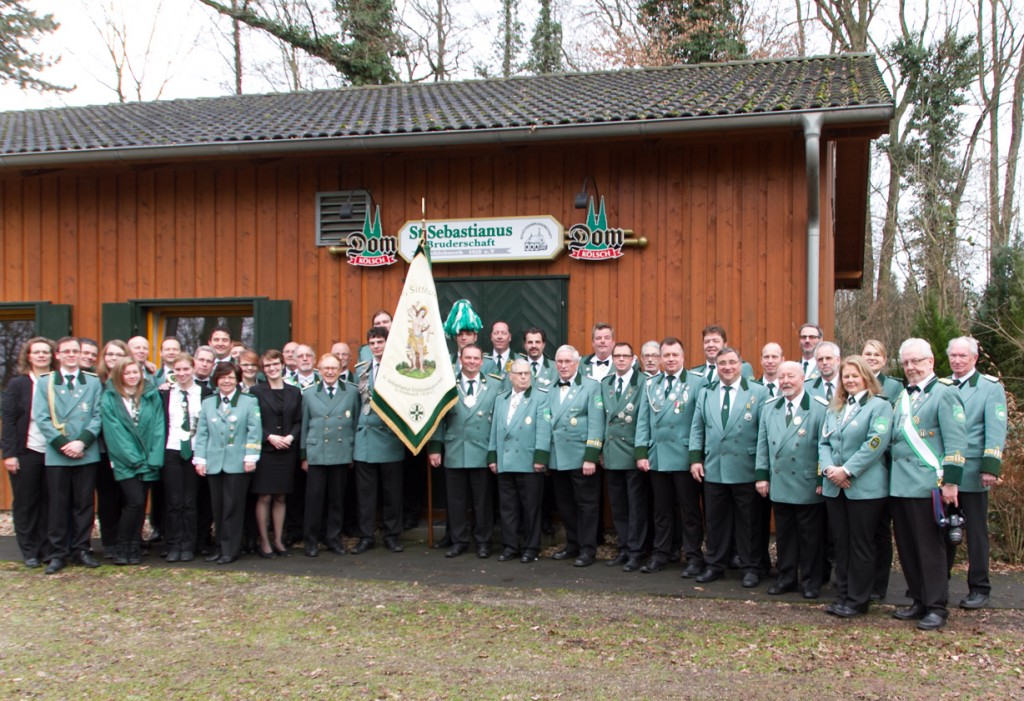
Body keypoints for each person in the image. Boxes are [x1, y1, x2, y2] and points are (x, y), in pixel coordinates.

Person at [889, 338, 967, 631]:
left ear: (931, 362)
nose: (911, 367)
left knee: (930, 549)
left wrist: (951, 483)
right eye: (907, 362)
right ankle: (919, 600)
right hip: (900, 485)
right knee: (908, 548)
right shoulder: (902, 396)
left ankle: (936, 606)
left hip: (929, 485)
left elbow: (957, 442)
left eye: (916, 361)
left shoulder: (944, 394)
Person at [818, 356, 893, 617]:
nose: (850, 380)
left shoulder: (879, 407)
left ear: (866, 377)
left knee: (861, 545)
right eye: (846, 376)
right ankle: (843, 595)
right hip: (835, 487)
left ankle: (858, 600)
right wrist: (829, 470)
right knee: (842, 544)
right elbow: (823, 443)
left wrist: (846, 470)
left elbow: (875, 443)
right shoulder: (836, 407)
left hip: (865, 488)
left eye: (855, 375)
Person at [688, 346, 769, 586]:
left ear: (741, 365)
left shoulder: (758, 392)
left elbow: (763, 434)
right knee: (715, 522)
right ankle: (715, 565)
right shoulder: (706, 392)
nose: (727, 367)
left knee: (749, 522)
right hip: (715, 468)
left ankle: (751, 567)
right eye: (722, 363)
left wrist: (762, 470)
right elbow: (697, 427)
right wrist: (695, 459)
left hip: (745, 468)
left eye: (732, 362)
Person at [755, 361, 828, 599]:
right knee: (785, 536)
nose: (785, 381)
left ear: (803, 378)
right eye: (782, 376)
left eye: (791, 376)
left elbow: (824, 447)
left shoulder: (818, 408)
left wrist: (821, 478)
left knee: (810, 537)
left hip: (807, 483)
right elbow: (762, 445)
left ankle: (810, 581)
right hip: (780, 482)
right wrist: (761, 476)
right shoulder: (770, 407)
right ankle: (786, 577)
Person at [635, 337, 706, 576]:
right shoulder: (651, 384)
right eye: (666, 355)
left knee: (689, 511)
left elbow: (700, 423)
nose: (671, 359)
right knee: (661, 510)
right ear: (660, 359)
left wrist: (696, 456)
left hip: (684, 456)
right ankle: (661, 554)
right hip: (658, 457)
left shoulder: (697, 382)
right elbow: (643, 421)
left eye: (675, 355)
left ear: (683, 357)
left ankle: (694, 557)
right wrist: (642, 452)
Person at [946, 336, 1008, 610]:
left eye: (963, 356)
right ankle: (938, 583)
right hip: (945, 471)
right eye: (953, 356)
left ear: (974, 358)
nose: (957, 360)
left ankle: (980, 586)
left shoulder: (989, 388)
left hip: (972, 470)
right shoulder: (942, 386)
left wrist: (990, 467)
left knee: (976, 532)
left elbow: (995, 428)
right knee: (943, 529)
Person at [34, 337, 105, 574]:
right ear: (58, 355)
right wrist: (64, 444)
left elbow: (97, 415)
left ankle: (81, 549)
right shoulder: (46, 382)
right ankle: (58, 553)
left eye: (76, 351)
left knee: (84, 504)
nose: (72, 355)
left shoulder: (93, 383)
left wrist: (81, 443)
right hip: (58, 453)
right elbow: (42, 418)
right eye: (67, 351)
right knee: (58, 504)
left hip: (86, 452)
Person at [538, 345, 606, 567]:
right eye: (560, 361)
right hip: (558, 457)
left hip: (581, 457)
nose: (564, 365)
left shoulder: (590, 387)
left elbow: (596, 424)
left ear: (577, 364)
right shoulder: (549, 389)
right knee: (565, 505)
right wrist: (544, 456)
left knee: (586, 505)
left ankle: (588, 549)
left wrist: (591, 456)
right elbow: (545, 424)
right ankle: (573, 543)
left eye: (568, 361)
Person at [428, 344, 498, 558]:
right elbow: (437, 417)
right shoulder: (448, 384)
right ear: (460, 359)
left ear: (482, 361)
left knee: (482, 501)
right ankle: (459, 541)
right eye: (467, 357)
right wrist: (435, 448)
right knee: (456, 501)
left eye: (476, 358)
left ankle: (483, 542)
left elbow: (499, 421)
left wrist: (494, 453)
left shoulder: (495, 384)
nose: (471, 361)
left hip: (481, 449)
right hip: (455, 449)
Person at [193, 362, 262, 564]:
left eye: (231, 377)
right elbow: (202, 433)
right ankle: (219, 547)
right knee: (218, 508)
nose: (226, 381)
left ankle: (230, 549)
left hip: (237, 463)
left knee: (233, 507)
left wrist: (250, 457)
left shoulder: (248, 402)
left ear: (237, 380)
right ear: (216, 380)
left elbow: (254, 431)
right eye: (223, 377)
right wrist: (200, 459)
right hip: (214, 463)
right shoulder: (208, 403)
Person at [100, 357, 166, 565]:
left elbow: (158, 426)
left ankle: (133, 546)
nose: (131, 377)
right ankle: (122, 546)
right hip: (125, 461)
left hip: (148, 460)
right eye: (127, 373)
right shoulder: (110, 397)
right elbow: (114, 432)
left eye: (135, 373)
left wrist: (153, 457)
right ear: (119, 375)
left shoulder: (150, 394)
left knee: (140, 504)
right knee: (134, 501)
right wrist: (133, 458)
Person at [488, 359, 551, 563]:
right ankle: (510, 546)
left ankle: (530, 547)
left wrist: (541, 457)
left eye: (527, 373)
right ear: (510, 376)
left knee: (530, 507)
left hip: (529, 461)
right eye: (519, 374)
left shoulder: (540, 397)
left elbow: (543, 429)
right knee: (508, 507)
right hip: (505, 461)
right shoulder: (501, 399)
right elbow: (495, 430)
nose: (524, 377)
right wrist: (492, 456)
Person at [1, 337, 56, 568]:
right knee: (26, 502)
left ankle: (45, 547)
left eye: (46, 352)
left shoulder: (57, 381)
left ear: (52, 356)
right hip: (26, 451)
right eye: (37, 352)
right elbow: (10, 421)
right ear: (29, 356)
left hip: (54, 452)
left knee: (49, 501)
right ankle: (29, 550)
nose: (42, 355)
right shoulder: (18, 384)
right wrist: (9, 454)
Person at [352, 326, 407, 554]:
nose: (376, 346)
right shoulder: (361, 370)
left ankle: (391, 535)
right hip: (365, 439)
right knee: (366, 495)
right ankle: (366, 536)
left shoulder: (399, 370)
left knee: (392, 493)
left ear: (388, 343)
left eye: (380, 342)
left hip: (389, 438)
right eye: (372, 343)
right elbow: (357, 404)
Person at [299, 352, 358, 557]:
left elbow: (356, 423)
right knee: (314, 500)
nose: (330, 372)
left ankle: (334, 539)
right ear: (319, 370)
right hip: (316, 452)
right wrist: (303, 455)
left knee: (337, 500)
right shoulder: (308, 393)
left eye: (334, 368)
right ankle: (311, 541)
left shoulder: (351, 392)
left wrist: (353, 453)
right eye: (326, 368)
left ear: (341, 369)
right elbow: (304, 425)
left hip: (341, 452)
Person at [600, 342, 648, 572]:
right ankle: (624, 547)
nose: (620, 360)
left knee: (635, 506)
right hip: (611, 452)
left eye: (624, 356)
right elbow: (601, 419)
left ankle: (636, 551)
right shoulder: (606, 383)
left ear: (633, 359)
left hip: (631, 452)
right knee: (618, 505)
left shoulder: (643, 382)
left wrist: (641, 452)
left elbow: (643, 420)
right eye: (616, 356)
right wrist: (598, 450)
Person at [250, 349, 303, 558]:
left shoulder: (294, 392)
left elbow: (299, 420)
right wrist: (269, 437)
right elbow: (252, 421)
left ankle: (279, 540)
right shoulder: (256, 391)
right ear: (264, 370)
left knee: (281, 496)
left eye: (275, 364)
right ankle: (264, 541)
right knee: (265, 496)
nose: (272, 369)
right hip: (266, 451)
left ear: (282, 365)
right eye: (267, 366)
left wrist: (291, 437)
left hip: (286, 451)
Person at [160, 353, 210, 563]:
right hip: (172, 450)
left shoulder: (205, 393)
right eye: (177, 370)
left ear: (193, 368)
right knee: (173, 501)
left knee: (190, 501)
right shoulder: (165, 393)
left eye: (185, 369)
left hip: (194, 451)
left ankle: (189, 545)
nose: (181, 374)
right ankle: (173, 545)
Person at [861, 339, 904, 404]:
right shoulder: (852, 382)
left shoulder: (893, 386)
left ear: (884, 360)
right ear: (860, 358)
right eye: (868, 354)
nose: (872, 358)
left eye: (877, 355)